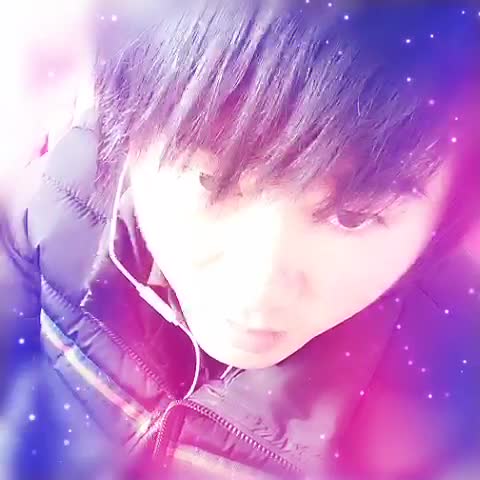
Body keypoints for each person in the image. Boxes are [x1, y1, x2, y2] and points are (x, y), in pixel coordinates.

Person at [1, 1, 480, 478]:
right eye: (209, 181)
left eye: (352, 217)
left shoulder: (453, 399)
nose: (255, 287)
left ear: (444, 218)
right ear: (129, 128)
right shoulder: (59, 191)